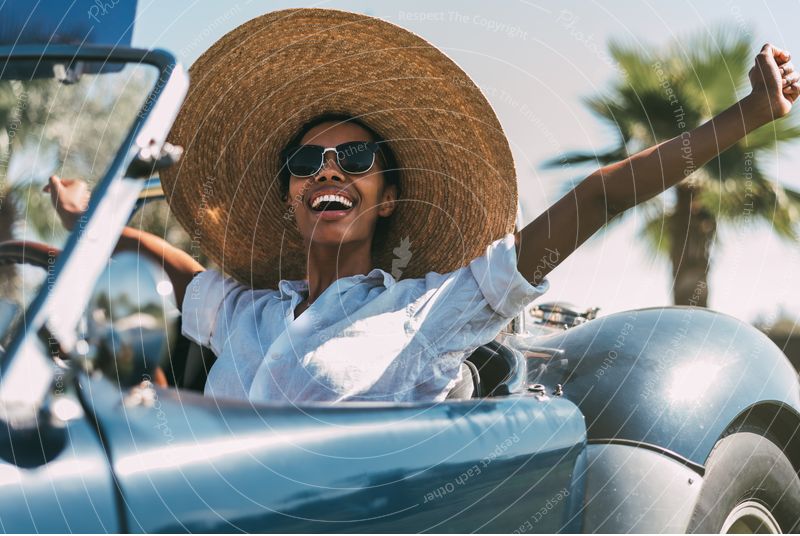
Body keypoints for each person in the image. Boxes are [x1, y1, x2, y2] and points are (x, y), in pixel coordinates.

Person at [48, 8, 799, 404]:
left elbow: (597, 194)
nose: (328, 170)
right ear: (290, 195)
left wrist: (744, 115)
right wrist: (90, 220)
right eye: (306, 162)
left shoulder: (432, 310)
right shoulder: (249, 314)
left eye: (356, 158)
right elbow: (178, 273)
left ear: (388, 194)